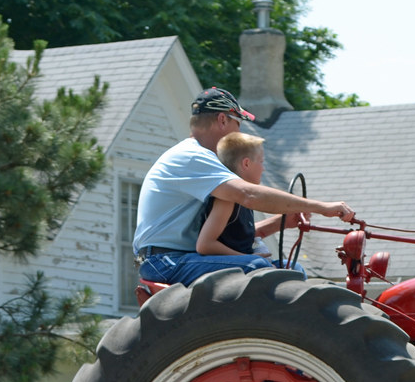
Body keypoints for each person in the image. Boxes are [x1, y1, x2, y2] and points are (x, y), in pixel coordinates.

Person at [133, 87, 354, 285]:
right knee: (256, 268)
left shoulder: (205, 164)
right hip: (165, 261)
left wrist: (279, 222)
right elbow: (248, 195)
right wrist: (321, 207)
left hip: (180, 257)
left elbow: (228, 237)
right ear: (222, 120)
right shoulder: (192, 156)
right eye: (237, 123)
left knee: (290, 270)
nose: (239, 133)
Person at [196, 131, 273, 262]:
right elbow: (204, 245)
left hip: (244, 260)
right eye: (261, 162)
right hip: (229, 267)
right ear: (246, 164)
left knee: (295, 268)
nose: (263, 169)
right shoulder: (227, 199)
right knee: (260, 265)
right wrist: (248, 258)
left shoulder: (242, 198)